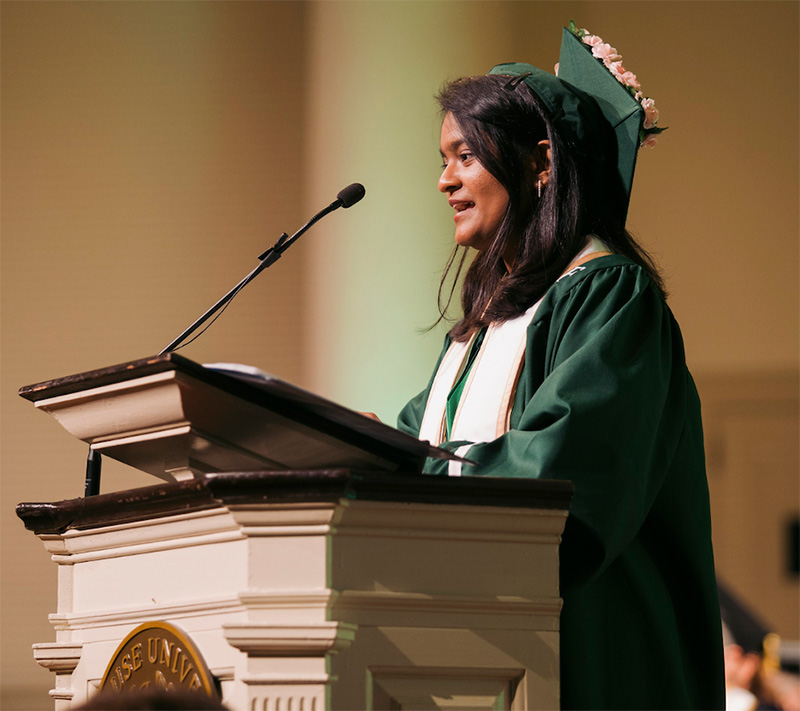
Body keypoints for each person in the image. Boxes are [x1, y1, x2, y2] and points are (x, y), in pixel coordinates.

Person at [396, 22, 725, 710]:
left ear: (541, 162)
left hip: (593, 656)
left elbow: (561, 470)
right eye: (444, 157)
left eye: (465, 156)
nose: (443, 179)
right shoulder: (487, 322)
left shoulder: (609, 297)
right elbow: (419, 443)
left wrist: (415, 480)